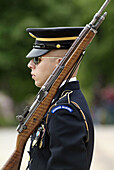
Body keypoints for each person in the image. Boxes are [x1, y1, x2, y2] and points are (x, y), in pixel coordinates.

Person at [26, 27, 94, 170]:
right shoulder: (59, 102)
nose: (30, 65)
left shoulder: (64, 111)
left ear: (59, 63)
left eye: (37, 59)